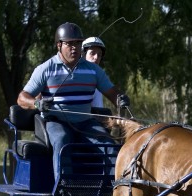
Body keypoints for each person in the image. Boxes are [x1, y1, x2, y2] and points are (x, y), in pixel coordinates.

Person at [17, 22, 129, 182]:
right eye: (69, 44)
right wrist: (37, 104)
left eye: (78, 43)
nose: (74, 48)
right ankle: (64, 190)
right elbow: (22, 98)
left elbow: (112, 92)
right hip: (57, 122)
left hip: (85, 122)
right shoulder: (46, 69)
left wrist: (120, 99)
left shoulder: (93, 70)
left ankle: (114, 190)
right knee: (62, 142)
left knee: (109, 146)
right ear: (59, 45)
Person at [82, 36, 106, 108]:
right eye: (92, 53)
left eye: (99, 55)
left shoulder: (97, 81)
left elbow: (98, 113)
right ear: (83, 55)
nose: (96, 57)